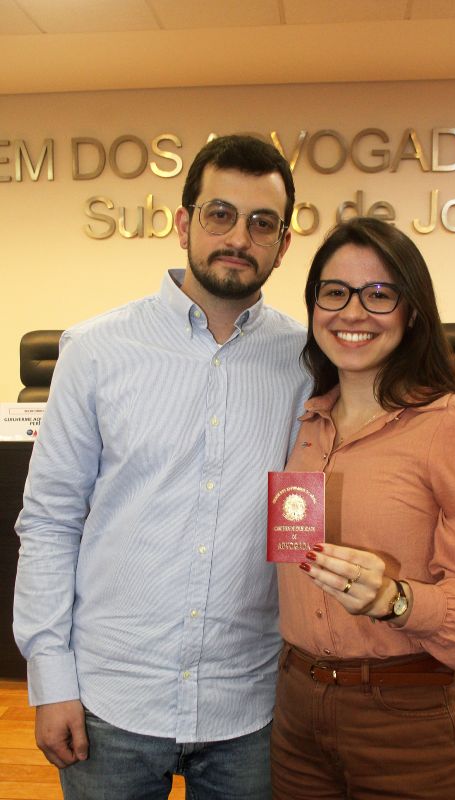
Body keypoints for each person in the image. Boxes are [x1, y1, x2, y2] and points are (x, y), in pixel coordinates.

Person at [13, 134, 310, 800]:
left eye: (262, 223)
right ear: (183, 224)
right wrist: (50, 678)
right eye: (219, 214)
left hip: (250, 704)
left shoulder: (305, 362)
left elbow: (303, 521)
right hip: (110, 700)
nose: (239, 237)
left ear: (283, 243)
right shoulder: (95, 350)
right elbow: (51, 521)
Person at [271, 217, 455, 800]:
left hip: (404, 717)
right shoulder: (304, 421)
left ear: (412, 312)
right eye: (335, 292)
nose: (352, 312)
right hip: (294, 712)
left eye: (379, 294)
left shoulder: (453, 425)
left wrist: (396, 599)